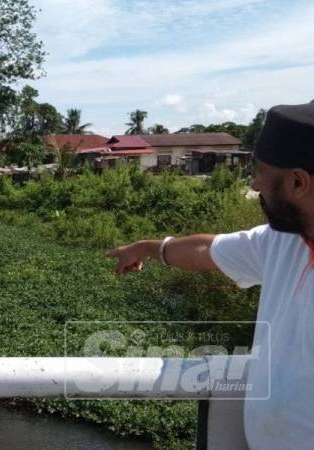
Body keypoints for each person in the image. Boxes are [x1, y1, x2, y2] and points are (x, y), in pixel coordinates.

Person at [106, 103, 314, 450]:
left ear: (297, 182)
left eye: (261, 172)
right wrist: (146, 247)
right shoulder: (283, 240)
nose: (254, 183)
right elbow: (208, 251)